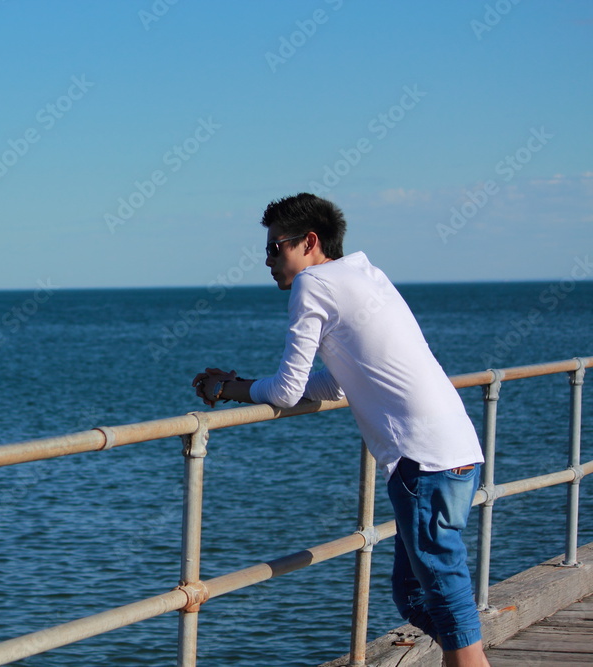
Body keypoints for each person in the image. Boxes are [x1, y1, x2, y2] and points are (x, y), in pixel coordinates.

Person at [192, 193, 489, 666]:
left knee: (441, 587)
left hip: (423, 462)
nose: (268, 261)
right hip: (458, 452)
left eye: (275, 248)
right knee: (415, 594)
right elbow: (343, 382)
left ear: (309, 242)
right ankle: (469, 650)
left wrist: (230, 388)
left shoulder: (312, 284)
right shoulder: (364, 275)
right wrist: (241, 384)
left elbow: (288, 390)